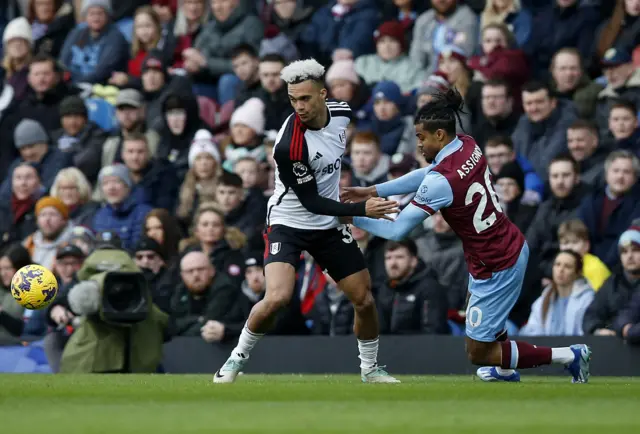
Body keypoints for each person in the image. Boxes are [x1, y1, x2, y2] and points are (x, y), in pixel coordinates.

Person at [341, 87, 592, 383]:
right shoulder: (468, 145)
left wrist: (350, 215)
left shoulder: (441, 181)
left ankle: (570, 356)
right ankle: (504, 370)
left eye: (421, 137)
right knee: (489, 329)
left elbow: (398, 229)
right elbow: (429, 174)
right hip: (503, 245)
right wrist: (372, 190)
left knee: (478, 353)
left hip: (497, 262)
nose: (418, 144)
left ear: (439, 136)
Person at [213, 58, 400, 384]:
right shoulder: (290, 146)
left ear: (323, 95)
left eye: (305, 98)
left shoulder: (341, 112)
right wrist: (361, 210)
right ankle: (234, 360)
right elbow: (311, 201)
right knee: (277, 298)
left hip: (327, 225)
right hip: (290, 221)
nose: (299, 106)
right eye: (293, 99)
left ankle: (370, 369)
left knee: (364, 299)